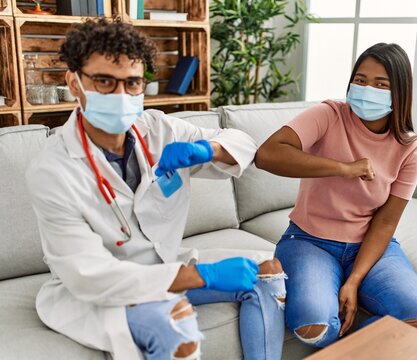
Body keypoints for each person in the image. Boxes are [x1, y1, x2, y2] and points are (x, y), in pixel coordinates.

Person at [26, 18, 286, 360]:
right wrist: (200, 276)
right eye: (104, 81)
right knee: (176, 325)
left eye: (133, 83)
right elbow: (90, 275)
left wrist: (209, 150)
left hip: (163, 265)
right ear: (73, 82)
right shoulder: (52, 170)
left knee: (269, 272)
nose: (121, 95)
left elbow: (243, 143)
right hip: (97, 291)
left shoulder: (158, 129)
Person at [255, 43, 417, 348]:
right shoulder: (328, 115)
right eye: (361, 80)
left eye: (381, 84)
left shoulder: (410, 147)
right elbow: (267, 154)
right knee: (312, 325)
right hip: (308, 240)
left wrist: (353, 281)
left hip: (368, 245)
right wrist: (344, 168)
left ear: (400, 93)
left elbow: (385, 222)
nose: (368, 89)